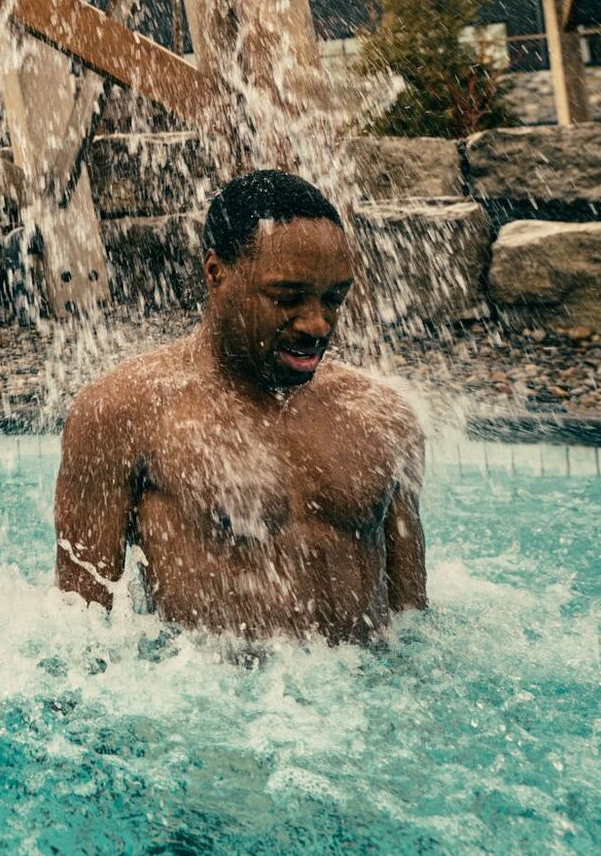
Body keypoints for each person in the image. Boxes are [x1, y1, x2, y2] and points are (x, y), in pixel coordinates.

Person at [54, 170, 426, 644]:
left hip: (362, 700)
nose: (316, 324)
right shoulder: (125, 413)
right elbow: (78, 631)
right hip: (206, 706)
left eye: (334, 299)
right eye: (287, 298)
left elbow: (414, 624)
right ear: (216, 272)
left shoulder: (380, 414)